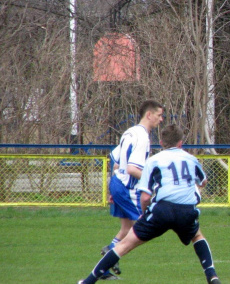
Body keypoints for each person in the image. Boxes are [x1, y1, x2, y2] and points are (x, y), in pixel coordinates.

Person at [78, 124, 221, 284]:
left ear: (161, 142)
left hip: (162, 210)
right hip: (186, 210)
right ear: (181, 143)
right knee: (197, 236)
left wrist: (144, 214)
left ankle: (88, 281)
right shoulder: (191, 159)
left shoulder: (154, 161)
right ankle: (212, 277)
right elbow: (203, 181)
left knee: (124, 245)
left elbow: (145, 197)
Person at [100, 100, 164, 279]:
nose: (161, 119)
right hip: (126, 188)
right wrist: (153, 182)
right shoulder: (143, 137)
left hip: (118, 184)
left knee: (126, 228)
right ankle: (110, 253)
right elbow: (133, 169)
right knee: (142, 228)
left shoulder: (130, 132)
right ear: (149, 115)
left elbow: (116, 162)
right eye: (159, 115)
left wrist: (115, 187)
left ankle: (104, 268)